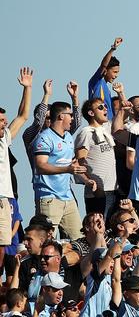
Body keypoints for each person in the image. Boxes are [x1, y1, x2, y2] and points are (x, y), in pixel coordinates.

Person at [33, 100, 85, 240]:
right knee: (46, 241)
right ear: (61, 116)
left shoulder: (68, 136)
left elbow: (71, 164)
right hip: (49, 197)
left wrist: (86, 179)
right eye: (70, 115)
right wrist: (67, 169)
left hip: (68, 197)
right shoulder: (44, 138)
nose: (72, 118)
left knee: (80, 240)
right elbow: (41, 165)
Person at [0, 67, 32, 273]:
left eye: (4, 121)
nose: (4, 124)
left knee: (4, 246)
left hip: (4, 199)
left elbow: (22, 116)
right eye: (1, 121)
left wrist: (27, 88)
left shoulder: (4, 138)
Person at [75, 98, 117, 219]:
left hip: (111, 189)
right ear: (91, 113)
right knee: (98, 228)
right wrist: (89, 181)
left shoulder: (105, 130)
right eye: (100, 107)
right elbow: (79, 162)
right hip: (97, 192)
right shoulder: (86, 133)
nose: (105, 109)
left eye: (105, 106)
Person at [88, 37, 122, 120]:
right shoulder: (96, 82)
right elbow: (103, 65)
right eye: (114, 72)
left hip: (109, 127)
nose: (116, 75)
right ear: (106, 71)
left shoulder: (107, 89)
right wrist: (113, 49)